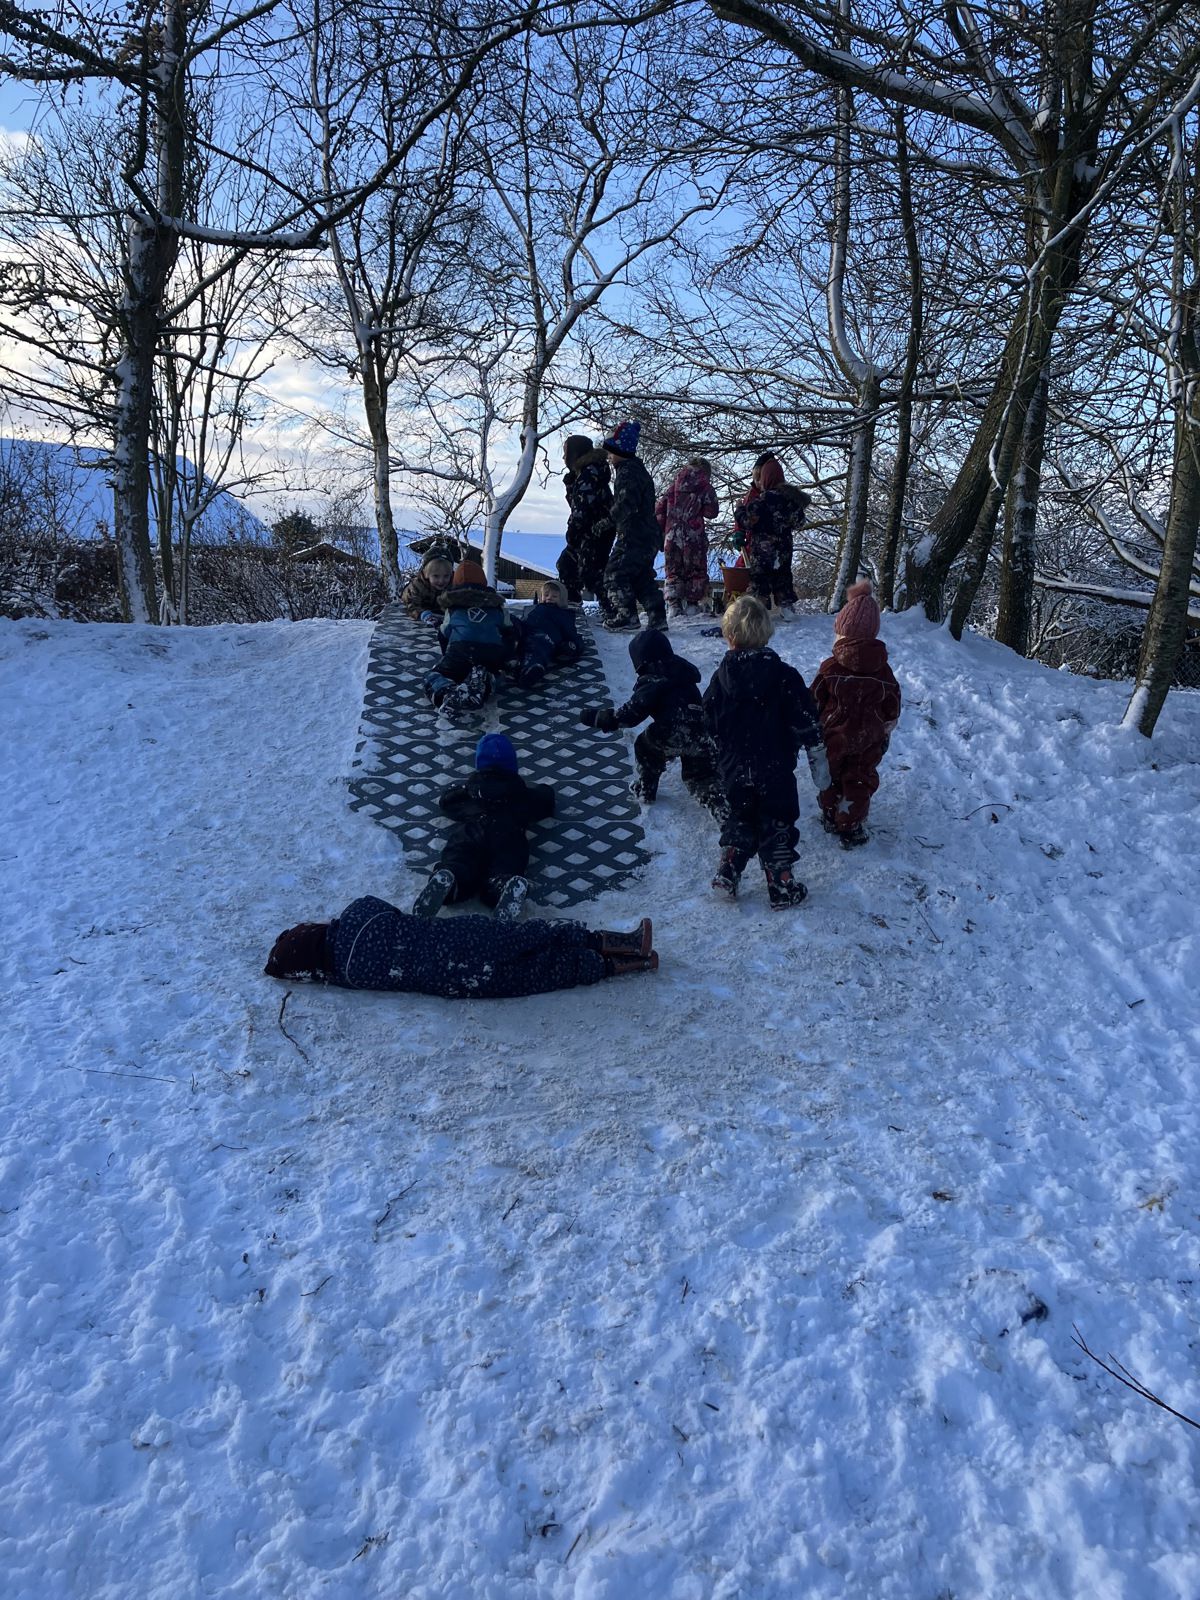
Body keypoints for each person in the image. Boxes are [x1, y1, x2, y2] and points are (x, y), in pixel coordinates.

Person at [702, 594, 829, 908]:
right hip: (774, 768)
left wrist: (715, 756)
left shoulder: (721, 679)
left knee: (740, 817)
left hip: (734, 767)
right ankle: (781, 883)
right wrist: (816, 750)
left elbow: (707, 720)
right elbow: (806, 717)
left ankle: (728, 870)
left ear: (729, 636)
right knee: (777, 819)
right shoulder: (785, 677)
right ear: (767, 632)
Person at [265, 900, 658, 997]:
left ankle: (618, 968)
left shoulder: (349, 976)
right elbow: (388, 911)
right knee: (535, 934)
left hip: (456, 980)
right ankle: (617, 942)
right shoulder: (359, 913)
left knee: (543, 972)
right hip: (459, 936)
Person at [580, 629, 725, 818]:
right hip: (700, 731)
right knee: (701, 776)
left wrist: (606, 719)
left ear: (640, 662)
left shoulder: (653, 680)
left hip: (671, 731)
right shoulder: (682, 673)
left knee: (646, 746)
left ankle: (646, 788)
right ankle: (719, 805)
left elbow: (632, 713)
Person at [412, 733, 555, 921]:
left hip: (471, 832)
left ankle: (451, 878)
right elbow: (545, 800)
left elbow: (446, 802)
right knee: (508, 861)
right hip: (508, 835)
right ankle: (502, 885)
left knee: (460, 855)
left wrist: (462, 790)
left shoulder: (471, 793)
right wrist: (545, 789)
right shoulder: (522, 795)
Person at [812, 580, 902, 847]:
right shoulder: (884, 672)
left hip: (833, 735)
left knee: (831, 774)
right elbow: (892, 704)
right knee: (860, 778)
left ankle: (830, 813)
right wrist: (887, 725)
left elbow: (814, 698)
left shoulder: (829, 668)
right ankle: (850, 823)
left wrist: (814, 721)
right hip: (869, 738)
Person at [425, 560, 516, 719]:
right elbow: (508, 630)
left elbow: (444, 633)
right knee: (497, 673)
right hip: (492, 651)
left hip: (461, 651)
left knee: (433, 675)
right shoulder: (497, 604)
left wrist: (447, 656)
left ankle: (446, 693)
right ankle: (487, 679)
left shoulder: (452, 605)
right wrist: (505, 659)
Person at [600, 419, 667, 632]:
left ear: (622, 449)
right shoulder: (638, 469)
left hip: (633, 534)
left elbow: (626, 503)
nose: (609, 457)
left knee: (615, 573)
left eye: (611, 451)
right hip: (649, 535)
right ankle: (657, 616)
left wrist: (607, 522)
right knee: (640, 575)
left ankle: (626, 615)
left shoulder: (628, 471)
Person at [732, 457, 810, 615]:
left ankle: (757, 611)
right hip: (784, 549)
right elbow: (800, 522)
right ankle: (787, 608)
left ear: (765, 479)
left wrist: (739, 509)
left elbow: (748, 521)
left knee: (760, 579)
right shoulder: (792, 502)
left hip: (763, 551)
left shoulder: (762, 500)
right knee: (783, 578)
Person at [560, 436, 616, 614]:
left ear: (574, 454)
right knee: (567, 564)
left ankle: (613, 610)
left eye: (566, 453)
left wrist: (573, 533)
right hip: (592, 529)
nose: (563, 458)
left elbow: (582, 509)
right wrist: (570, 483)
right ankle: (572, 603)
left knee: (591, 572)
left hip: (595, 530)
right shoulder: (585, 473)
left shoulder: (588, 474)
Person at [657, 458, 719, 619]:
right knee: (696, 569)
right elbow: (712, 512)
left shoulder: (673, 487)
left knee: (673, 570)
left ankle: (673, 605)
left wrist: (661, 531)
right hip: (693, 536)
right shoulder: (705, 487)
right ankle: (692, 604)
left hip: (672, 535)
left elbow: (659, 509)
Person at [516, 580, 583, 688]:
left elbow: (573, 635)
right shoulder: (536, 608)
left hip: (545, 637)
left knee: (537, 649)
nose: (549, 598)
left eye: (554, 596)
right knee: (511, 629)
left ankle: (531, 670)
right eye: (546, 595)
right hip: (526, 630)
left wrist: (573, 646)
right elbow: (525, 620)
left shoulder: (564, 615)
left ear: (562, 600)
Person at [402, 548, 456, 625]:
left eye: (446, 576)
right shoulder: (417, 586)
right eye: (436, 576)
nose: (441, 581)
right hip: (420, 620)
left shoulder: (454, 586)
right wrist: (424, 615)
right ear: (427, 574)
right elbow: (411, 604)